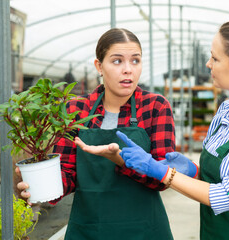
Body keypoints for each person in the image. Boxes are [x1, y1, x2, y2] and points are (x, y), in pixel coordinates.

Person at [77, 19, 229, 240]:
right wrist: (193, 170)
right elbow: (218, 177)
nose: (208, 64)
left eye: (215, 58)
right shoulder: (227, 111)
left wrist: (163, 172)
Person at [16, 28, 182, 240]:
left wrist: (120, 160)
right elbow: (68, 173)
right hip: (89, 228)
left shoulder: (155, 107)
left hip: (143, 229)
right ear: (99, 66)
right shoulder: (75, 109)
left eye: (135, 61)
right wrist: (39, 183)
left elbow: (163, 179)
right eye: (117, 61)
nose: (127, 70)